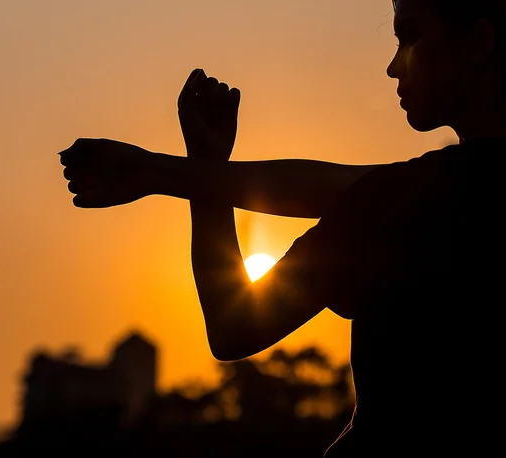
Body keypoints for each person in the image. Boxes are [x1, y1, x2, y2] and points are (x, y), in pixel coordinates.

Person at [58, 0, 506, 455]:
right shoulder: (404, 198)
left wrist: (168, 172)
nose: (393, 67)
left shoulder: (406, 203)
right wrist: (190, 173)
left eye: (410, 36)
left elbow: (235, 325)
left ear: (476, 43)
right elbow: (342, 187)